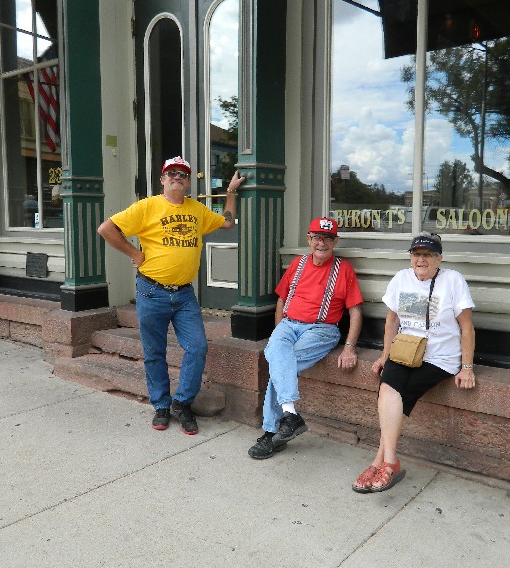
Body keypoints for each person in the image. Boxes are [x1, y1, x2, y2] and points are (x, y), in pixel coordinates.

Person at [97, 156, 245, 435]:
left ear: (189, 182)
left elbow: (227, 223)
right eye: (172, 173)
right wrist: (134, 253)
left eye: (183, 174)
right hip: (151, 291)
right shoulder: (147, 206)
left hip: (185, 295)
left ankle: (182, 403)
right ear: (162, 179)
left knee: (197, 347)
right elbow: (106, 229)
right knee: (155, 353)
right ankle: (161, 406)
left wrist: (230, 192)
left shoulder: (197, 210)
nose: (178, 177)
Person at [352, 232, 476, 493]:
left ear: (439, 258)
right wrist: (385, 355)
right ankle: (390, 462)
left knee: (402, 392)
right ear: (410, 257)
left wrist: (467, 367)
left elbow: (466, 327)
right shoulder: (401, 278)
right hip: (405, 350)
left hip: (440, 357)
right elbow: (391, 321)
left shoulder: (453, 280)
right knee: (388, 386)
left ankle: (381, 461)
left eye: (428, 255)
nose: (421, 260)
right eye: (416, 254)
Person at [248, 217, 364, 459]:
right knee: (279, 357)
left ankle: (273, 432)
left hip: (321, 330)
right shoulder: (298, 264)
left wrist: (350, 347)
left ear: (335, 241)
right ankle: (289, 416)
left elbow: (355, 311)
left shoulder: (343, 269)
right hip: (289, 324)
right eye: (317, 237)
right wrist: (280, 330)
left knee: (280, 364)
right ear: (308, 239)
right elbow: (282, 299)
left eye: (328, 238)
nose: (322, 243)